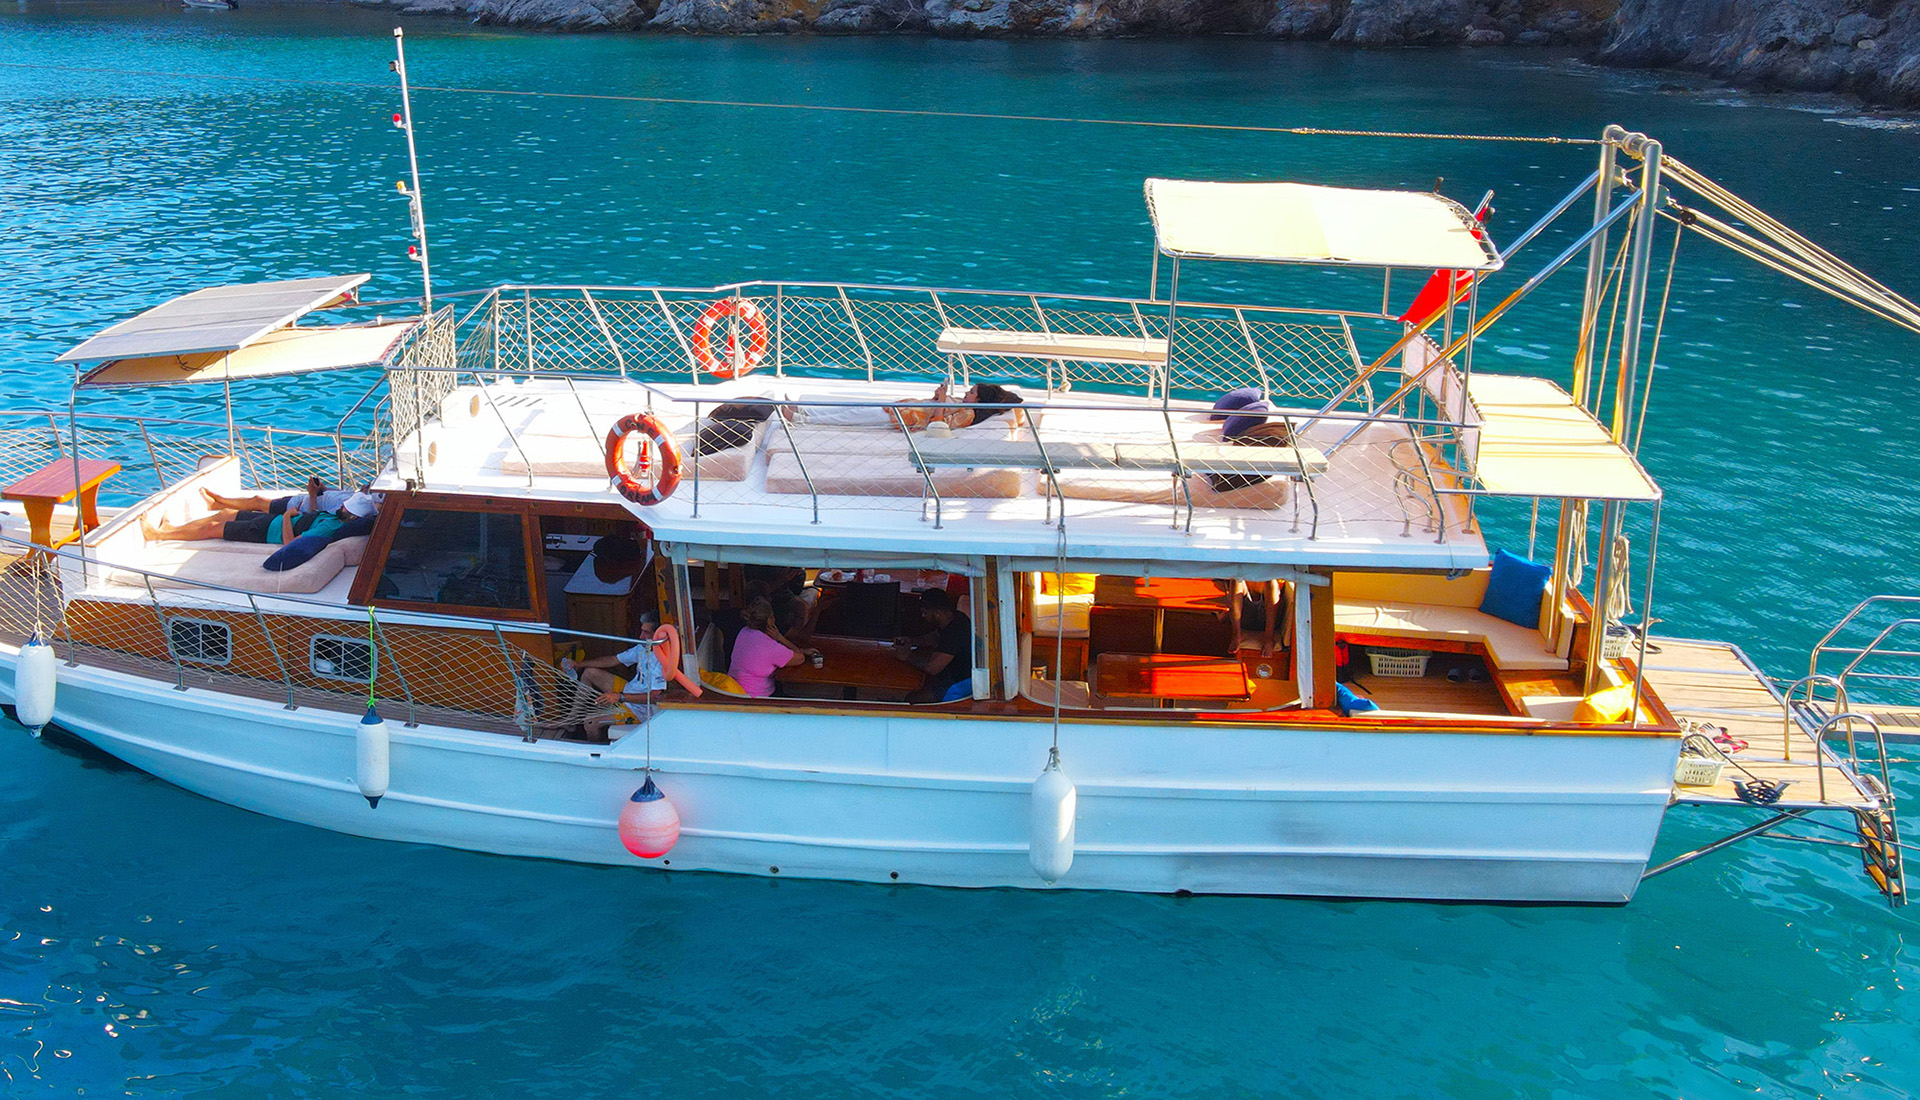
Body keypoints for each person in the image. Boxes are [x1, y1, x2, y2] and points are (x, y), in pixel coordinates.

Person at [563, 609, 701, 739]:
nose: (641, 637)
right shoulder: (643, 647)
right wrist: (579, 664)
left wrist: (619, 697)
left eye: (646, 632)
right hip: (629, 691)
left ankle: (597, 750)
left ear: (659, 634)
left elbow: (655, 697)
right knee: (589, 673)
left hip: (642, 710)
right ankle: (570, 722)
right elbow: (613, 660)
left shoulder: (663, 660)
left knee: (590, 723)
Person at [143, 485, 378, 546]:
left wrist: (286, 517)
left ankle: (158, 535)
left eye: (347, 507)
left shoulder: (330, 529)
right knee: (225, 514)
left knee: (212, 528)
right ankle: (171, 529)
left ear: (354, 517)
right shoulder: (336, 518)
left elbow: (290, 543)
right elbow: (315, 516)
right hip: (271, 522)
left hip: (265, 531)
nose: (342, 506)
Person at [782, 382, 1024, 432]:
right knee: (852, 408)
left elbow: (938, 425)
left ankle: (801, 421)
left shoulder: (968, 414)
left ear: (979, 400)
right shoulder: (963, 405)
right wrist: (938, 397)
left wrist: (941, 401)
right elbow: (936, 407)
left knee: (852, 415)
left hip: (903, 419)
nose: (966, 393)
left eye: (971, 392)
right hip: (901, 408)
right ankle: (803, 410)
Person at [728, 596, 818, 698]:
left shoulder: (744, 632)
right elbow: (800, 658)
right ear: (770, 620)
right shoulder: (770, 647)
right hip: (757, 697)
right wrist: (780, 637)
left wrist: (802, 650)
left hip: (735, 690)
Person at [895, 588, 973, 704]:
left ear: (937, 613)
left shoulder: (954, 634)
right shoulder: (955, 617)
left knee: (912, 698)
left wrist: (907, 656)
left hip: (958, 682)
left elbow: (932, 668)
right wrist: (911, 641)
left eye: (925, 613)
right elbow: (935, 637)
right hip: (951, 671)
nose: (923, 616)